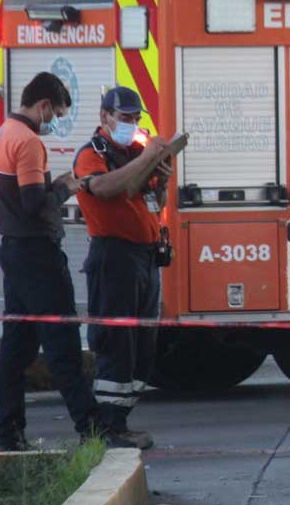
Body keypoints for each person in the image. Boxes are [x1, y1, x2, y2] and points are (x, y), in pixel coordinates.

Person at [0, 72, 100, 451]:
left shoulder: (1, 134)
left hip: (14, 252)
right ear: (43, 106)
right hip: (37, 256)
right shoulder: (29, 143)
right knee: (63, 343)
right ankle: (91, 429)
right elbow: (34, 203)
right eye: (55, 114)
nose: (54, 122)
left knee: (16, 350)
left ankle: (9, 434)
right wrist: (65, 187)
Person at [73, 87, 171, 450]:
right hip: (113, 257)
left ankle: (120, 422)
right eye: (125, 118)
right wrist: (145, 158)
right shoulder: (91, 154)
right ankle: (109, 428)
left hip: (145, 258)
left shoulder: (133, 152)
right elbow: (103, 188)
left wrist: (163, 176)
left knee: (144, 346)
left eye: (135, 118)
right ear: (105, 117)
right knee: (116, 345)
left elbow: (153, 200)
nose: (131, 125)